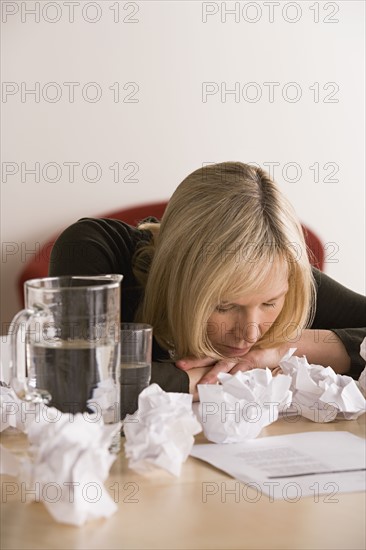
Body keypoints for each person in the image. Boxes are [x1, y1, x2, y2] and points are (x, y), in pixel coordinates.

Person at [49, 162, 366, 399]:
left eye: (270, 303)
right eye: (225, 305)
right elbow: (76, 380)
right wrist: (213, 380)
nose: (250, 332)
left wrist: (282, 350)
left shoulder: (277, 268)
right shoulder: (94, 248)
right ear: (177, 275)